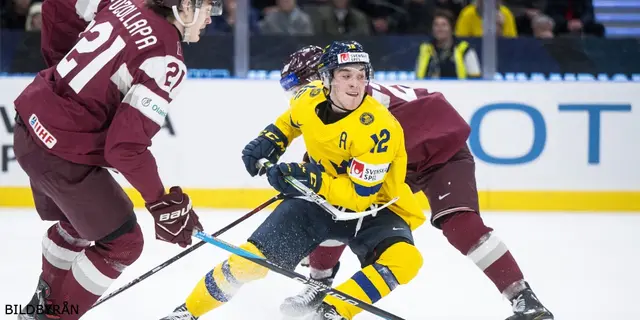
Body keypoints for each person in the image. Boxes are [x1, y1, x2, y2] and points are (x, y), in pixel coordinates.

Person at [278, 45, 554, 320]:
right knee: (336, 204)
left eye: (301, 89)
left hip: (439, 152)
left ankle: (524, 300)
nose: (298, 99)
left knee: (460, 225)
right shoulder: (333, 104)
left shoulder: (352, 101)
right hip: (397, 160)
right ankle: (319, 284)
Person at [160, 41, 426, 320]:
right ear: (326, 78)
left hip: (373, 210)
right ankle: (187, 312)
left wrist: (311, 177)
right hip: (317, 204)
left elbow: (357, 197)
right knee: (247, 262)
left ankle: (331, 312)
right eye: (346, 75)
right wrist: (271, 140)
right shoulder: (308, 97)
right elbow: (291, 121)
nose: (355, 84)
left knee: (405, 260)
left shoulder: (380, 128)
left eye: (361, 75)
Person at [13, 0, 221, 319]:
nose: (211, 17)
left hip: (29, 127)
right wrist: (161, 203)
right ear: (184, 6)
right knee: (124, 242)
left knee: (78, 224)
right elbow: (124, 149)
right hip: (60, 151)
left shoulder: (125, 3)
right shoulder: (166, 58)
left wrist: (63, 81)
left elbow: (56, 5)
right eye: (207, 6)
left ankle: (40, 308)